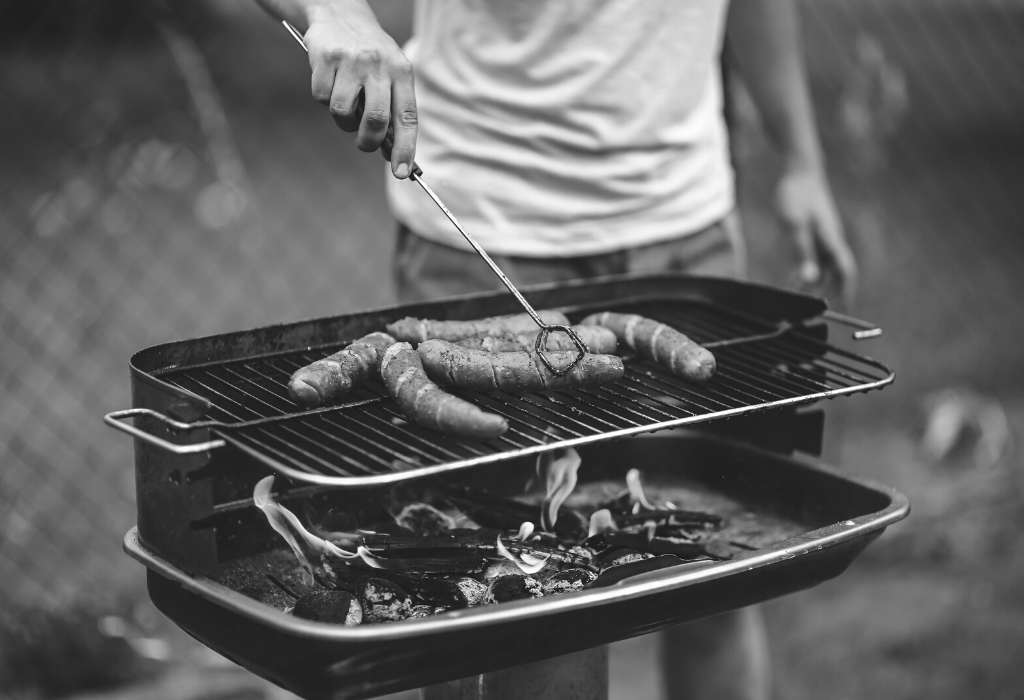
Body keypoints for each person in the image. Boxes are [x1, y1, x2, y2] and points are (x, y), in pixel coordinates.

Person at [256, 1, 857, 698]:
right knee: (479, 596)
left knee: (715, 575)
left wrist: (802, 160)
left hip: (686, 226)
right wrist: (334, 11)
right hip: (482, 228)